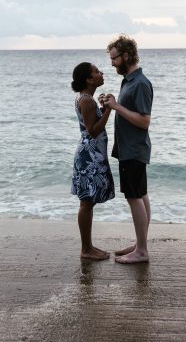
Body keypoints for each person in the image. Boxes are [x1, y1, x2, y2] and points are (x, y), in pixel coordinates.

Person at [102, 35, 153, 264]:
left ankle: (141, 251)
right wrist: (113, 102)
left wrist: (116, 107)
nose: (112, 63)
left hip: (134, 149)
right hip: (129, 148)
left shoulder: (140, 83)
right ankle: (140, 243)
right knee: (140, 195)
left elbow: (144, 121)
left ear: (126, 56)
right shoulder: (129, 81)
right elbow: (126, 109)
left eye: (114, 58)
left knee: (134, 197)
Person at [71, 62, 115, 260]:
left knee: (88, 203)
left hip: (92, 155)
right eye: (97, 71)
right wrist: (108, 110)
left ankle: (88, 247)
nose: (101, 73)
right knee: (86, 203)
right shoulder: (86, 100)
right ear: (89, 79)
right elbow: (93, 130)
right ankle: (86, 249)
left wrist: (102, 106)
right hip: (89, 157)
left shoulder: (87, 98)